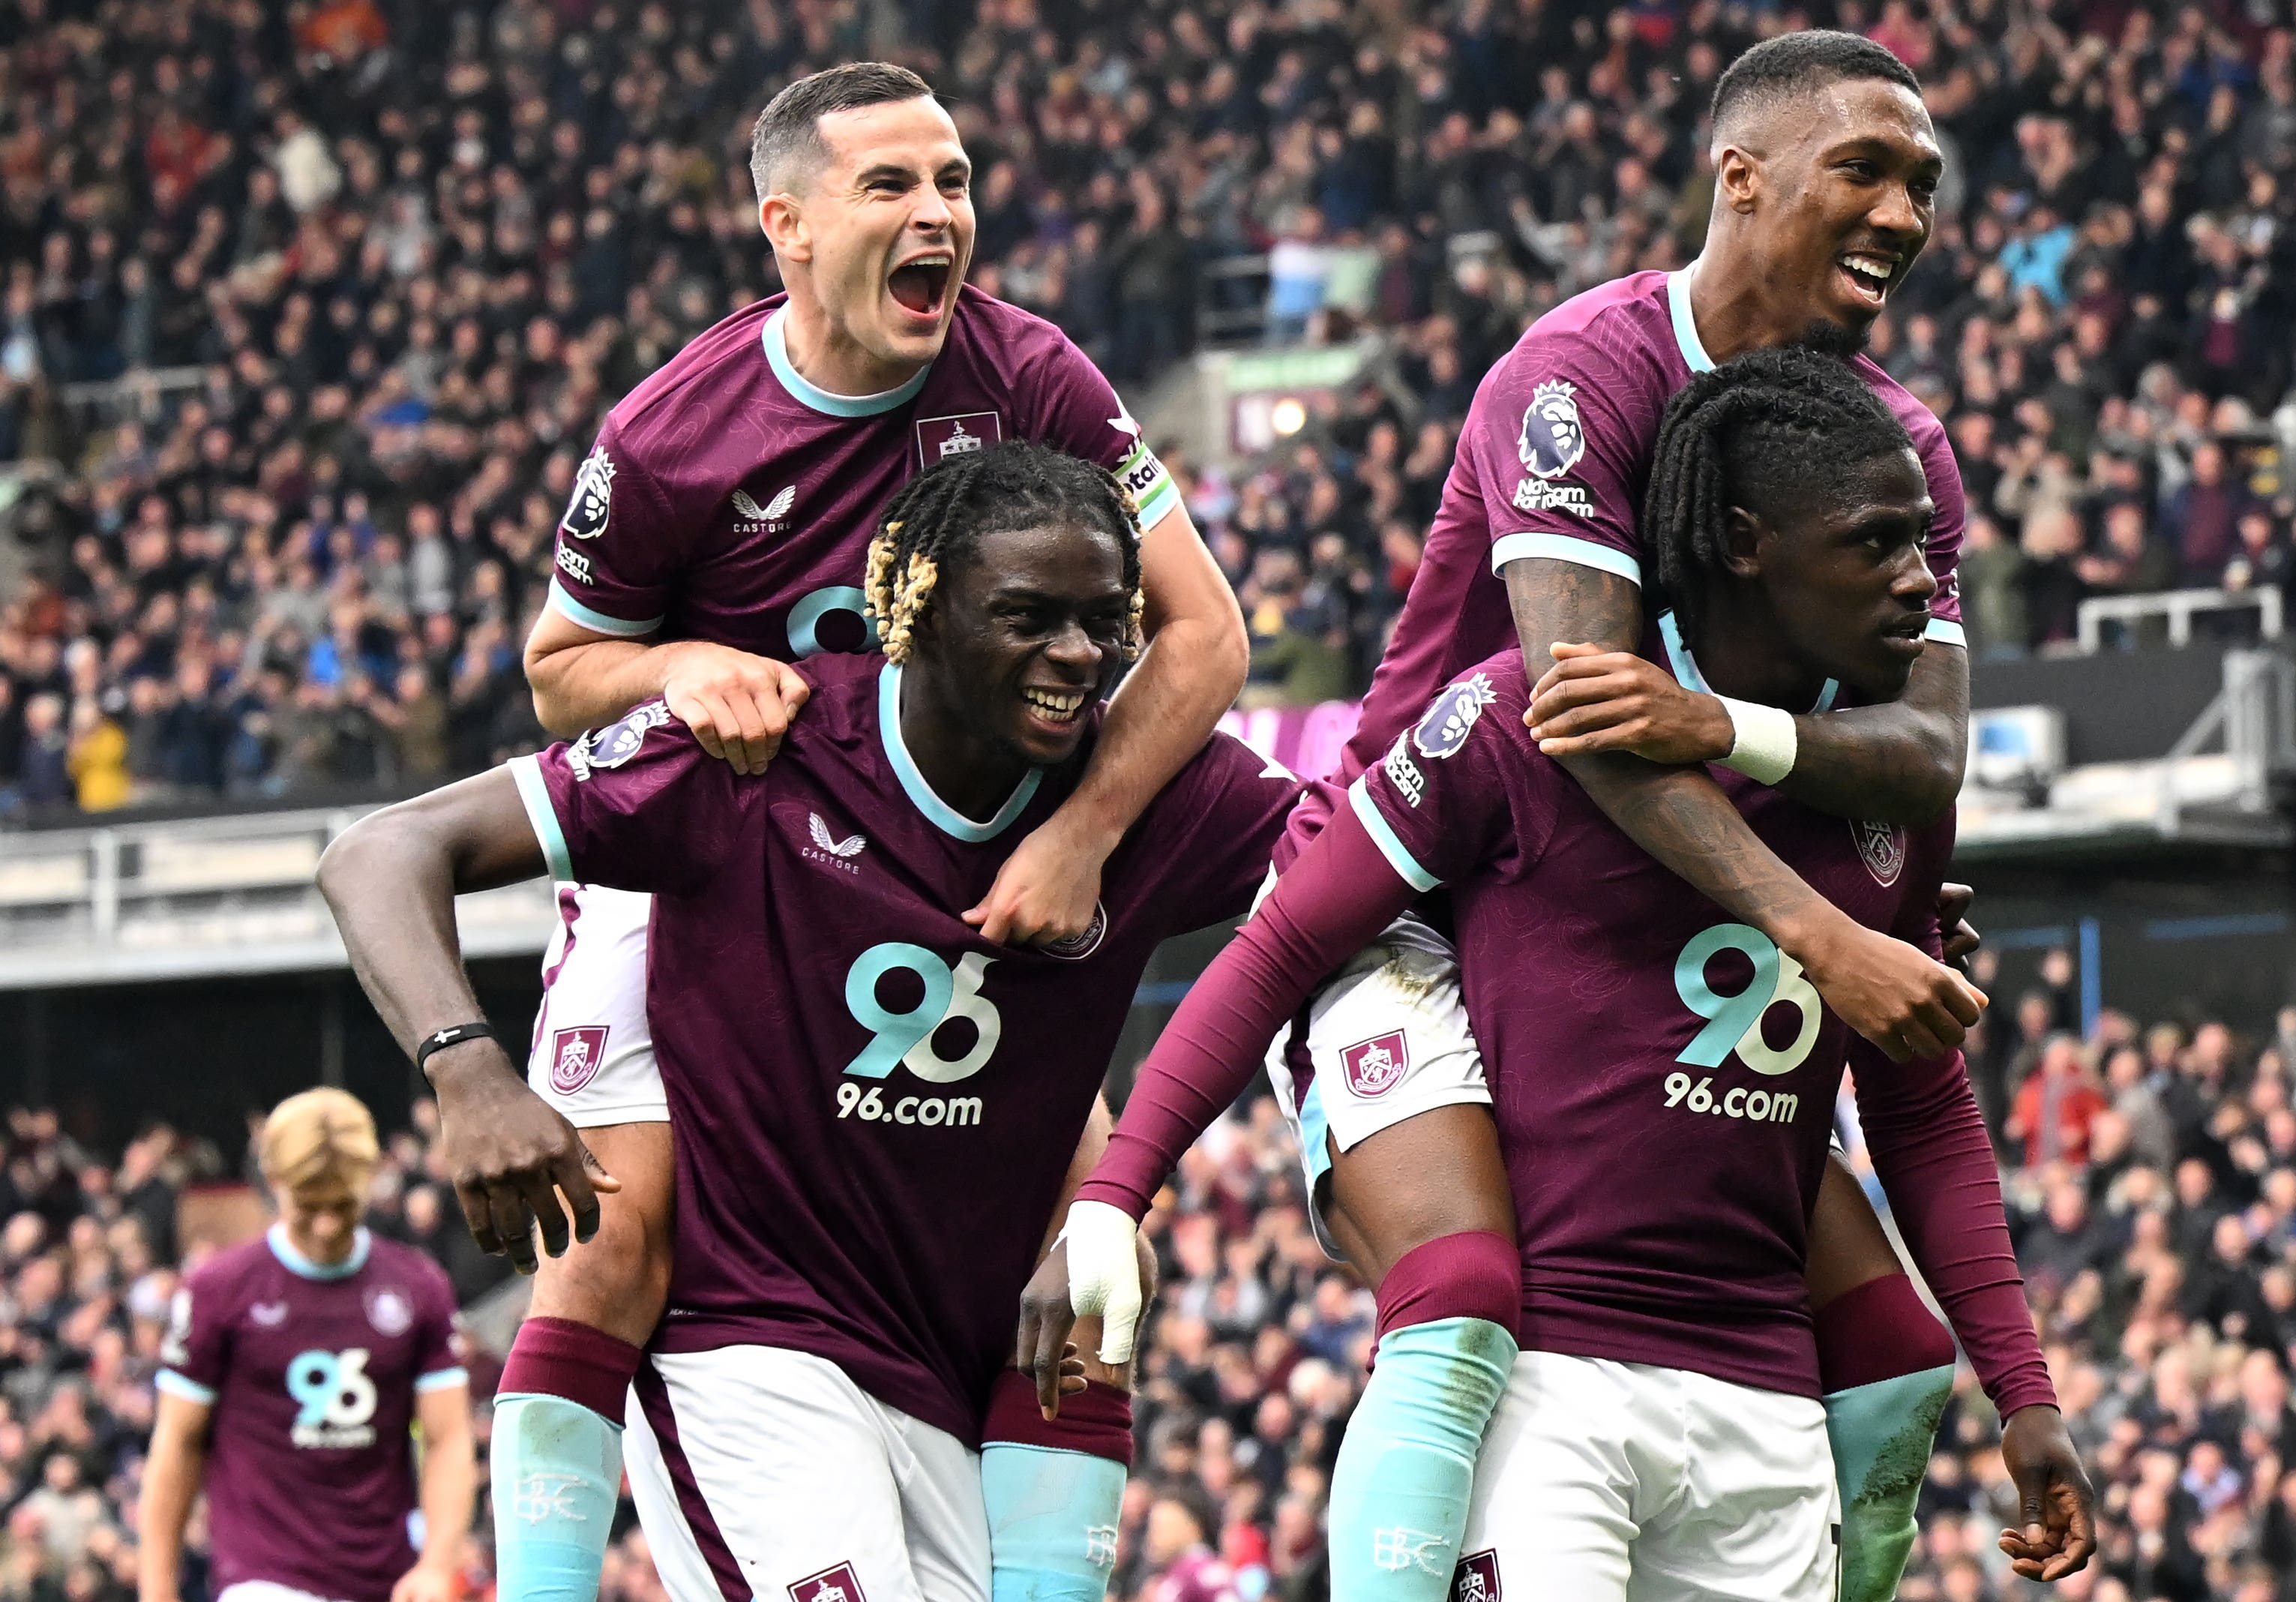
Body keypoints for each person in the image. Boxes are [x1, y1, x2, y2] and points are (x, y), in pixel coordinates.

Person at [1057, 33, 2001, 1602]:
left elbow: (1929, 750)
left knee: (1900, 1360)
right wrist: (1819, 924)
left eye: (1923, 182)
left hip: (1646, 909)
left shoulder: (1892, 444)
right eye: (1867, 170)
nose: (1906, 212)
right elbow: (1581, 720)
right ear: (1740, 176)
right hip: (1433, 889)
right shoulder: (1583, 375)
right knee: (1464, 1298)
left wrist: (1740, 738)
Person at [485, 62, 1247, 1602]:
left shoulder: (1033, 378)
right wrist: (683, 664)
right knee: (620, 1243)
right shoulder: (672, 436)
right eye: (891, 185)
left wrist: (1088, 832)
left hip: (957, 870)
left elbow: (1207, 634)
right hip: (713, 861)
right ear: (787, 222)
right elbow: (559, 672)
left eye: (955, 181)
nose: (939, 215)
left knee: (1091, 1259)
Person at [317, 446, 1300, 1602]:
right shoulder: (751, 757)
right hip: (748, 1360)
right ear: (915, 610)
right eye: (1030, 617)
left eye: (1104, 621)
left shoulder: (1160, 797)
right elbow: (382, 852)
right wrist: (469, 1071)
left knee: (1101, 1273)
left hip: (937, 1387)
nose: (1080, 658)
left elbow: (1373, 861)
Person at [136, 1088, 474, 1602]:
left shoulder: (417, 1286)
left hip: (384, 1575)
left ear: (369, 1179)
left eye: (341, 1204)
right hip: (263, 1576)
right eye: (310, 1205)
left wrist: (437, 1563)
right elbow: (177, 1442)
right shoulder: (219, 1291)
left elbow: (447, 1437)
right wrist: (157, 1589)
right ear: (274, 1182)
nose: (326, 1224)